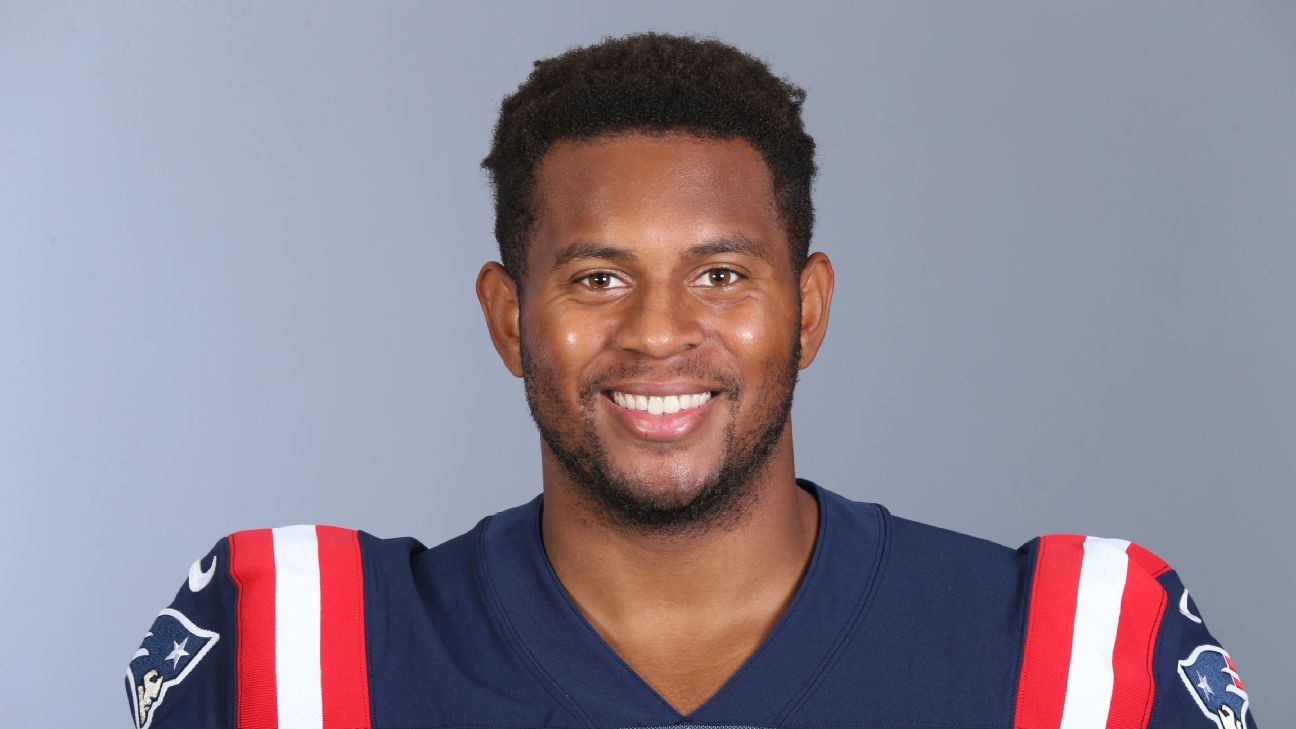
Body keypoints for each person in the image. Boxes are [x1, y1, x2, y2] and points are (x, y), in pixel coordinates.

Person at [124, 32, 1257, 729]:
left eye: (720, 273)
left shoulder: (1077, 657)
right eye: (598, 279)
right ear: (509, 320)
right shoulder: (302, 653)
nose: (661, 335)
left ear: (806, 309)